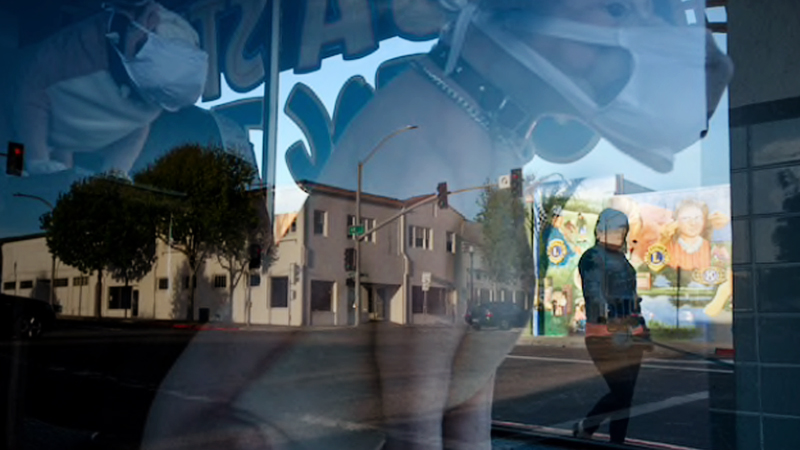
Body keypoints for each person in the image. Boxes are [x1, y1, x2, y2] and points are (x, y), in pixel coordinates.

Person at [142, 2, 732, 449]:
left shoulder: (483, 146)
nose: (641, 24)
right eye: (614, 6)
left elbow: (466, 387)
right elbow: (415, 429)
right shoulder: (423, 149)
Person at [574, 208, 651, 445]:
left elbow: (633, 298)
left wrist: (641, 327)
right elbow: (594, 295)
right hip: (604, 337)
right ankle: (587, 426)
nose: (620, 233)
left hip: (632, 335)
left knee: (625, 397)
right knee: (621, 391)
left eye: (623, 229)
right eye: (615, 228)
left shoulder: (623, 261)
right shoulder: (592, 258)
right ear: (599, 231)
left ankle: (617, 442)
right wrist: (614, 321)